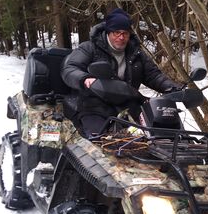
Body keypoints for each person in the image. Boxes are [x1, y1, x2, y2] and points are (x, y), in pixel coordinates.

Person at [61, 8, 181, 137]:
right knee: (99, 141)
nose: (121, 37)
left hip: (129, 106)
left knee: (159, 136)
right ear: (108, 32)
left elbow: (153, 75)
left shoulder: (136, 52)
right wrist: (85, 78)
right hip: (95, 106)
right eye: (116, 33)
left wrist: (173, 88)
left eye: (125, 33)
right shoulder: (90, 48)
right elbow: (70, 69)